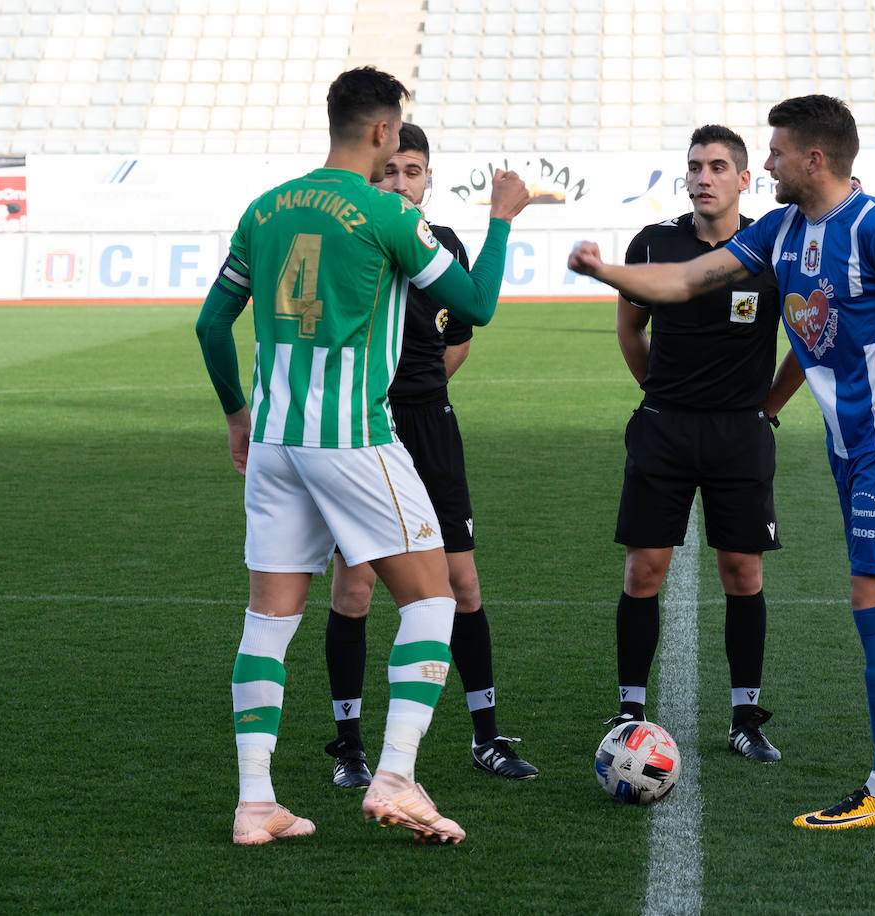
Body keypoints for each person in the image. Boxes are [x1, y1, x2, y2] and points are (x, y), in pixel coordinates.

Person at [568, 95, 875, 830]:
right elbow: (688, 280)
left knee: (873, 598)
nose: (768, 164)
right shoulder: (782, 230)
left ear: (813, 159)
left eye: (775, 152)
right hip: (848, 443)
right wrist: (608, 273)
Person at [195, 66, 530, 846]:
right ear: (384, 133)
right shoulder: (387, 213)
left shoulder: (265, 207)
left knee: (268, 622)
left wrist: (238, 419)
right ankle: (397, 775)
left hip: (275, 439)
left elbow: (213, 328)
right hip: (351, 438)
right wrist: (504, 219)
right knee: (435, 597)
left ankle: (255, 804)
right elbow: (473, 306)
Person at [322, 123, 537, 788]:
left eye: (410, 172)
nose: (398, 183)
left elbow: (462, 331)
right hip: (361, 429)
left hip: (430, 428)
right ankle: (351, 747)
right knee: (355, 588)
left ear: (428, 179)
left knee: (462, 585)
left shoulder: (442, 245)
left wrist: (427, 391)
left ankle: (486, 736)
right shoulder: (350, 241)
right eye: (388, 172)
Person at [608, 125, 784, 762]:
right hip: (665, 429)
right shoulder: (655, 244)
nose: (703, 177)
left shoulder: (771, 247)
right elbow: (631, 328)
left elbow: (809, 334)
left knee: (743, 572)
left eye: (717, 166)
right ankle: (629, 709)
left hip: (741, 432)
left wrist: (768, 406)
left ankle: (745, 715)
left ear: (744, 178)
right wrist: (659, 393)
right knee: (644, 570)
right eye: (694, 167)